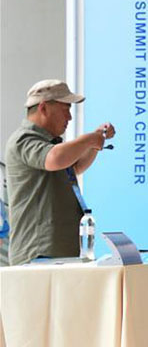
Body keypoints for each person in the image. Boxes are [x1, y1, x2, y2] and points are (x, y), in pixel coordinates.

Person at [5, 79, 115, 265]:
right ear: (43, 108)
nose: (70, 117)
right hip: (38, 253)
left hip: (58, 252)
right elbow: (55, 159)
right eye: (66, 109)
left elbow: (75, 166)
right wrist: (88, 140)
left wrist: (95, 143)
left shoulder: (51, 143)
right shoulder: (24, 139)